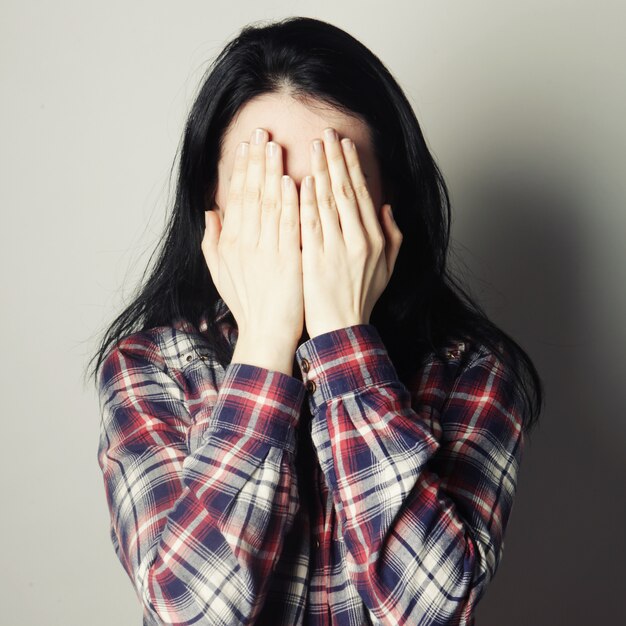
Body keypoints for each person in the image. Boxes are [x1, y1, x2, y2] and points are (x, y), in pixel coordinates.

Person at [88, 16, 543, 626]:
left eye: (332, 189)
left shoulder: (473, 371)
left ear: (388, 203)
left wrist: (342, 338)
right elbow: (191, 613)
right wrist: (267, 342)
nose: (297, 219)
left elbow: (428, 610)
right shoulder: (148, 369)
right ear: (212, 201)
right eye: (266, 187)